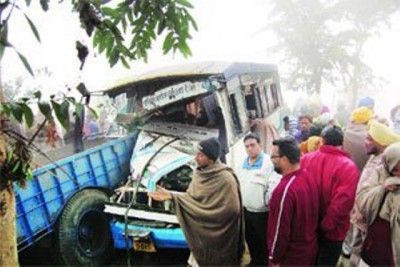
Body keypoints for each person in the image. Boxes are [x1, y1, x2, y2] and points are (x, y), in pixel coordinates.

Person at [148, 138, 244, 266]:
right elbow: (192, 198)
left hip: (219, 238)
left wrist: (207, 215)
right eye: (197, 154)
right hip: (200, 234)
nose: (196, 158)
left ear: (211, 158)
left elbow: (233, 210)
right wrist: (172, 195)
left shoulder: (226, 179)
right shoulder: (199, 174)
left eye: (201, 155)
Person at [301, 126, 359, 266]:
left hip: (308, 227)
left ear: (322, 140)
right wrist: (326, 226)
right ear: (342, 142)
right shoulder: (348, 167)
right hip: (333, 231)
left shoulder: (306, 159)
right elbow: (342, 202)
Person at [348, 120, 400, 266]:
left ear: (382, 143)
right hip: (363, 222)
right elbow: (363, 194)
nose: (365, 142)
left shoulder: (384, 164)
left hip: (375, 231)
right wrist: (382, 188)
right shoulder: (378, 163)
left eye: (370, 139)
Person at [267, 138, 319, 266]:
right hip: (309, 252)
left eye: (273, 157)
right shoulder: (308, 177)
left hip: (291, 258)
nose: (272, 161)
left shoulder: (284, 190)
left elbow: (280, 232)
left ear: (284, 159)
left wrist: (274, 258)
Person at [238, 133, 280, 266]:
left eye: (252, 145)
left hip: (262, 214)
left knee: (263, 243)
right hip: (246, 211)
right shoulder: (242, 164)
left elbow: (273, 187)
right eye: (247, 146)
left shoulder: (268, 163)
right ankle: (255, 262)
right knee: (251, 241)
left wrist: (264, 203)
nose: (250, 149)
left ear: (260, 145)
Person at [343, 106, 374, 173]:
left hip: (345, 173)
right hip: (364, 175)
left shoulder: (344, 133)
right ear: (369, 121)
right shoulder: (371, 137)